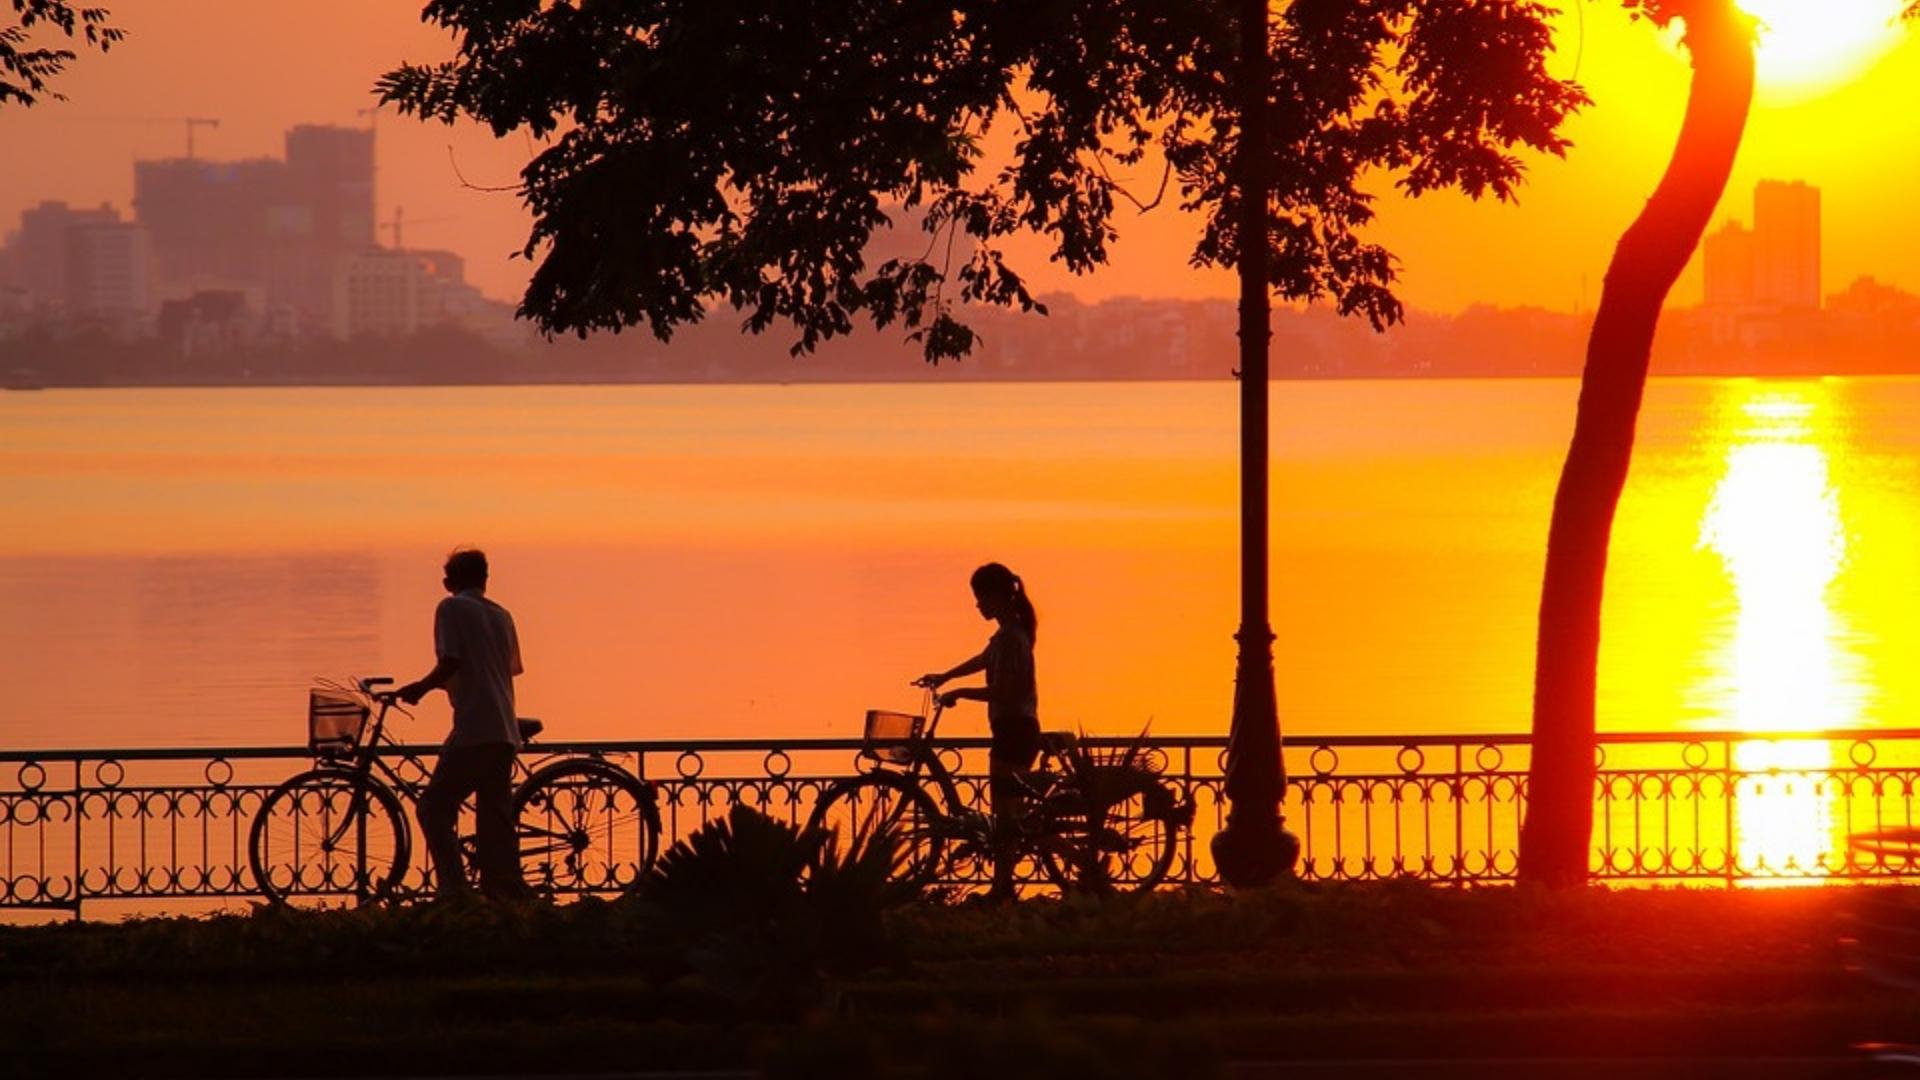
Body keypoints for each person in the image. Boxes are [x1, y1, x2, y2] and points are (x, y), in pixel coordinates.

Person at [398, 548, 527, 901]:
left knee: (433, 808)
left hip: (474, 727)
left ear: (450, 581)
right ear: (484, 578)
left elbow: (452, 660)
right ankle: (503, 892)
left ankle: (454, 890)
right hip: (503, 727)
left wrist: (420, 688)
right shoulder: (501, 614)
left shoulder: (450, 608)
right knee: (494, 818)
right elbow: (505, 668)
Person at [918, 562, 1039, 902]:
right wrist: (946, 676)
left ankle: (1003, 887)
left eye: (981, 597)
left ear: (998, 596)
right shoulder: (1006, 636)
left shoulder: (1013, 637)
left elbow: (1003, 691)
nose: (978, 605)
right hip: (1013, 729)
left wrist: (960, 694)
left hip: (1014, 730)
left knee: (1006, 817)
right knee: (1007, 814)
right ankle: (1004, 886)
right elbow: (982, 660)